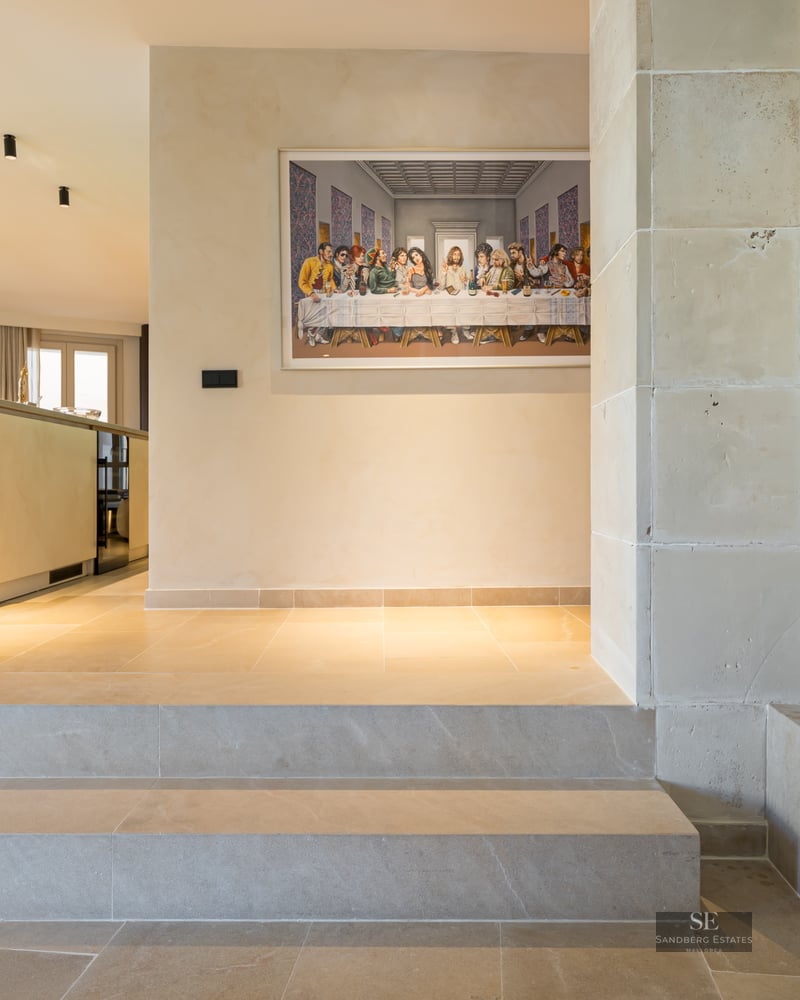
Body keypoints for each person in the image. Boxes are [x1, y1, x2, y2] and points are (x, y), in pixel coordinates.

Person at [297, 241, 335, 346]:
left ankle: (318, 335)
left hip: (324, 292)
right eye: (328, 252)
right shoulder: (309, 262)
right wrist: (311, 293)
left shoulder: (330, 266)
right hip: (312, 293)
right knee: (317, 315)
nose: (331, 254)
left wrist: (335, 289)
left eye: (331, 252)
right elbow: (302, 281)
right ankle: (311, 334)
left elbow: (330, 280)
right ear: (321, 251)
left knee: (330, 312)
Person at [439, 245, 470, 344]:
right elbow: (441, 287)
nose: (456, 257)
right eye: (454, 254)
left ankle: (465, 330)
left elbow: (469, 284)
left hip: (461, 296)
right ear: (451, 256)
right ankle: (454, 332)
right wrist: (444, 272)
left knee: (466, 310)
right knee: (450, 312)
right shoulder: (445, 267)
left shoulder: (463, 269)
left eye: (459, 255)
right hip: (449, 296)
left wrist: (465, 281)